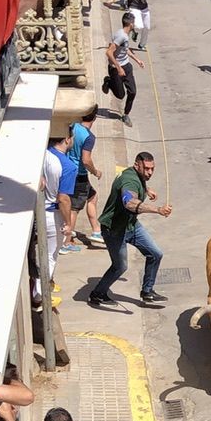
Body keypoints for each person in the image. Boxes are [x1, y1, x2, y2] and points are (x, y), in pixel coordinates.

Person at [88, 151, 172, 308]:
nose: (150, 172)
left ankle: (147, 292)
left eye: (152, 169)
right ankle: (98, 294)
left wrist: (146, 189)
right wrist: (158, 210)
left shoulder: (134, 174)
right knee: (120, 266)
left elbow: (139, 180)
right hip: (114, 230)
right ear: (136, 165)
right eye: (146, 169)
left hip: (131, 225)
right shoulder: (128, 180)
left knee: (155, 254)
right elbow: (129, 202)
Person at [42, 130, 76, 283]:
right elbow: (63, 199)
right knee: (50, 257)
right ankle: (40, 297)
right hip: (51, 213)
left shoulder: (46, 153)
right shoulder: (69, 166)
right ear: (67, 139)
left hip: (38, 209)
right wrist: (68, 223)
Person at [67, 107, 104, 247]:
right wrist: (95, 172)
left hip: (67, 170)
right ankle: (67, 240)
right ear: (94, 118)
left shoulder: (72, 126)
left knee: (92, 196)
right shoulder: (89, 137)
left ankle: (96, 230)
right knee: (74, 208)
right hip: (79, 174)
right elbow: (86, 160)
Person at [104, 12, 144, 126]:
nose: (135, 24)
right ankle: (108, 82)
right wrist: (119, 68)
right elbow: (109, 52)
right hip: (116, 68)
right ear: (130, 24)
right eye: (134, 22)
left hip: (126, 66)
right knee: (120, 95)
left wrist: (137, 60)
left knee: (132, 91)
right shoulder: (121, 35)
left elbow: (125, 50)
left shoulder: (125, 36)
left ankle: (126, 114)